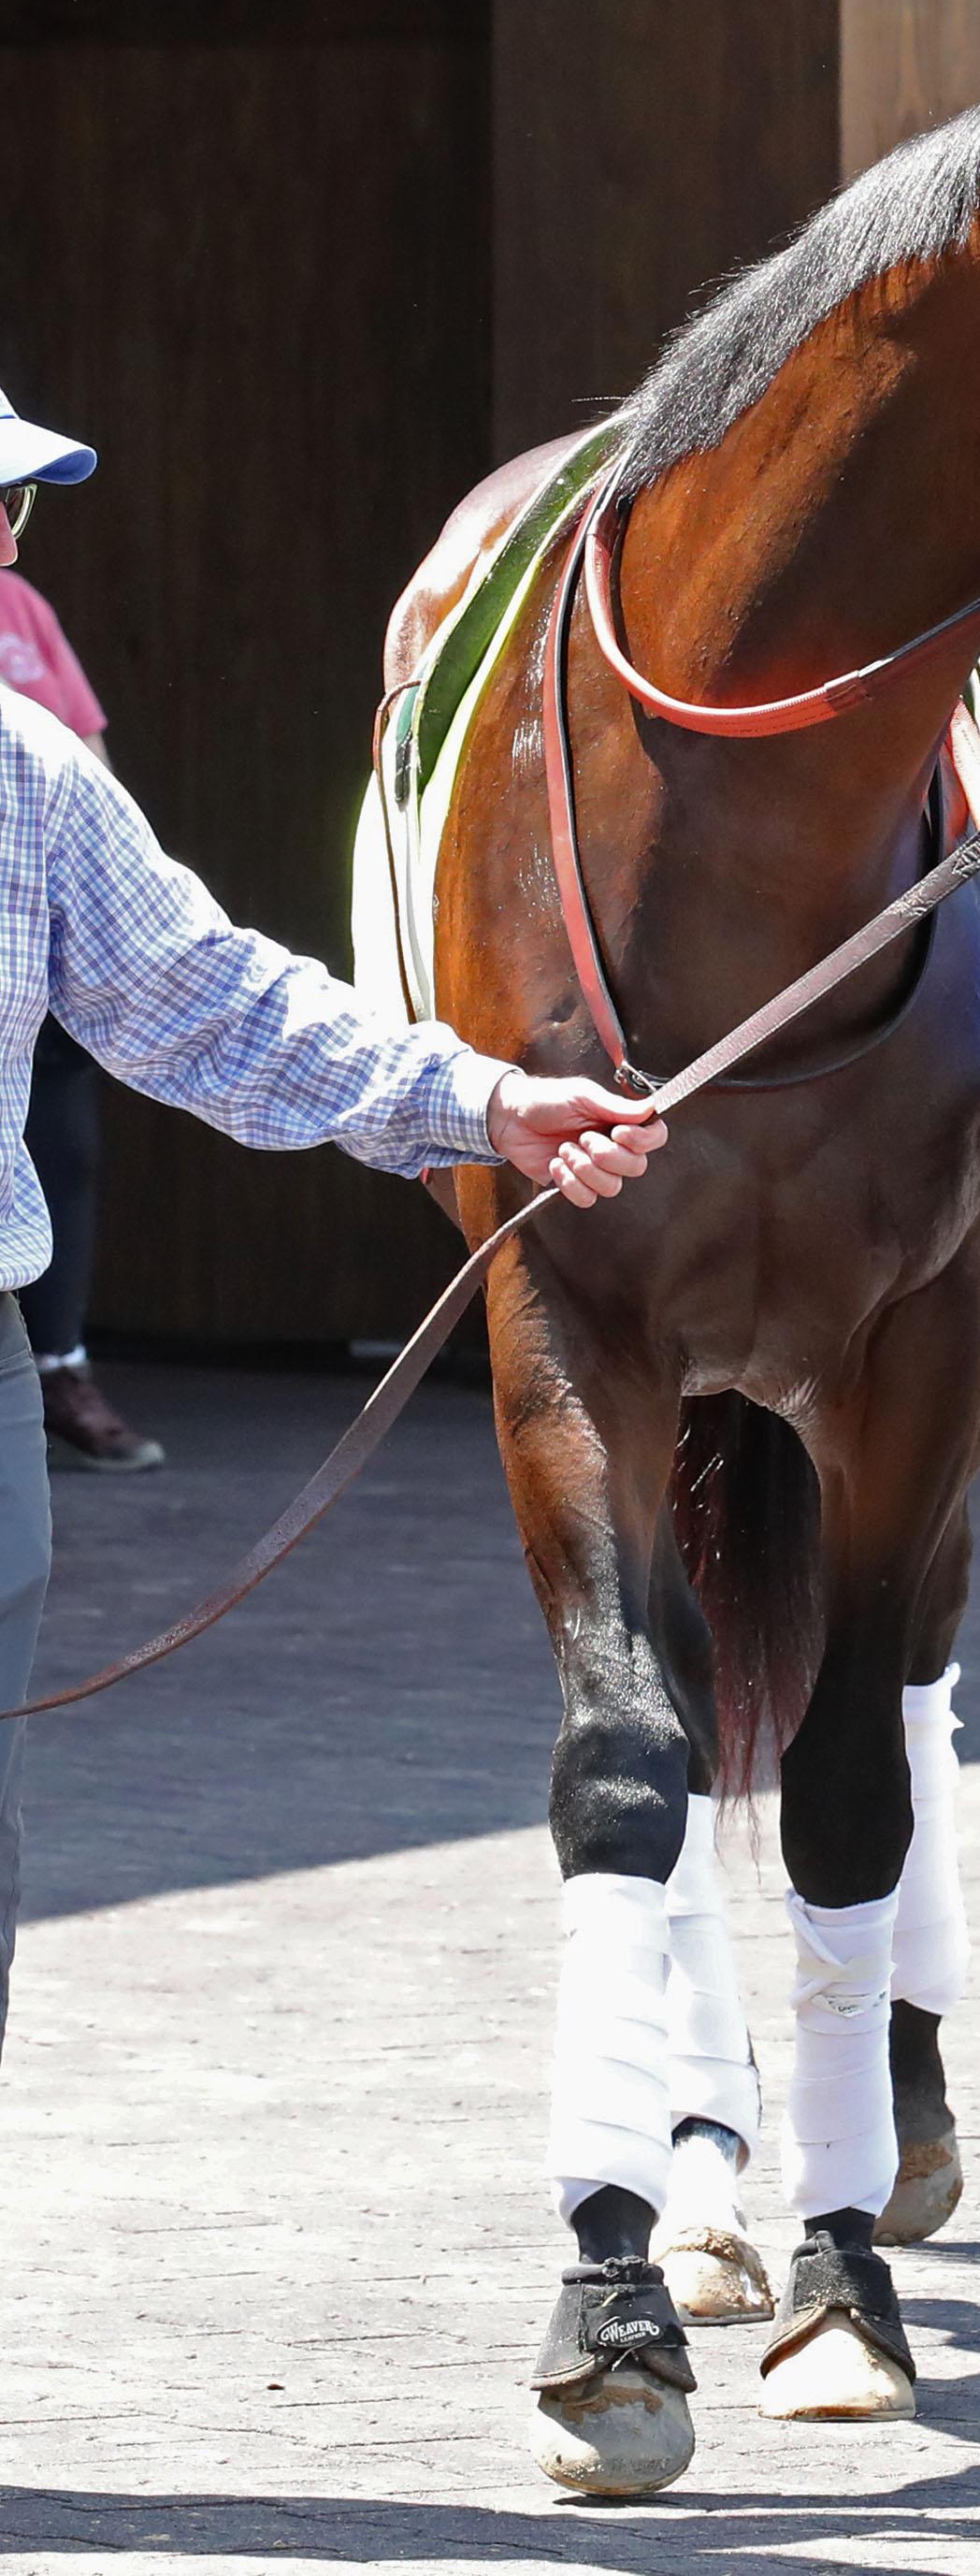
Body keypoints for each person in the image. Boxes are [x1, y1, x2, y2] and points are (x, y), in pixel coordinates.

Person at [0, 392, 669, 2054]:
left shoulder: (29, 774)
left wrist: (487, 1103)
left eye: (14, 514)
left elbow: (212, 1002)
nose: (9, 552)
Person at [0, 544, 162, 1468]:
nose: (7, 542)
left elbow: (87, 758)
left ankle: (59, 1363)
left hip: (32, 944)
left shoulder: (20, 604)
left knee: (63, 1146)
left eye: (13, 506)